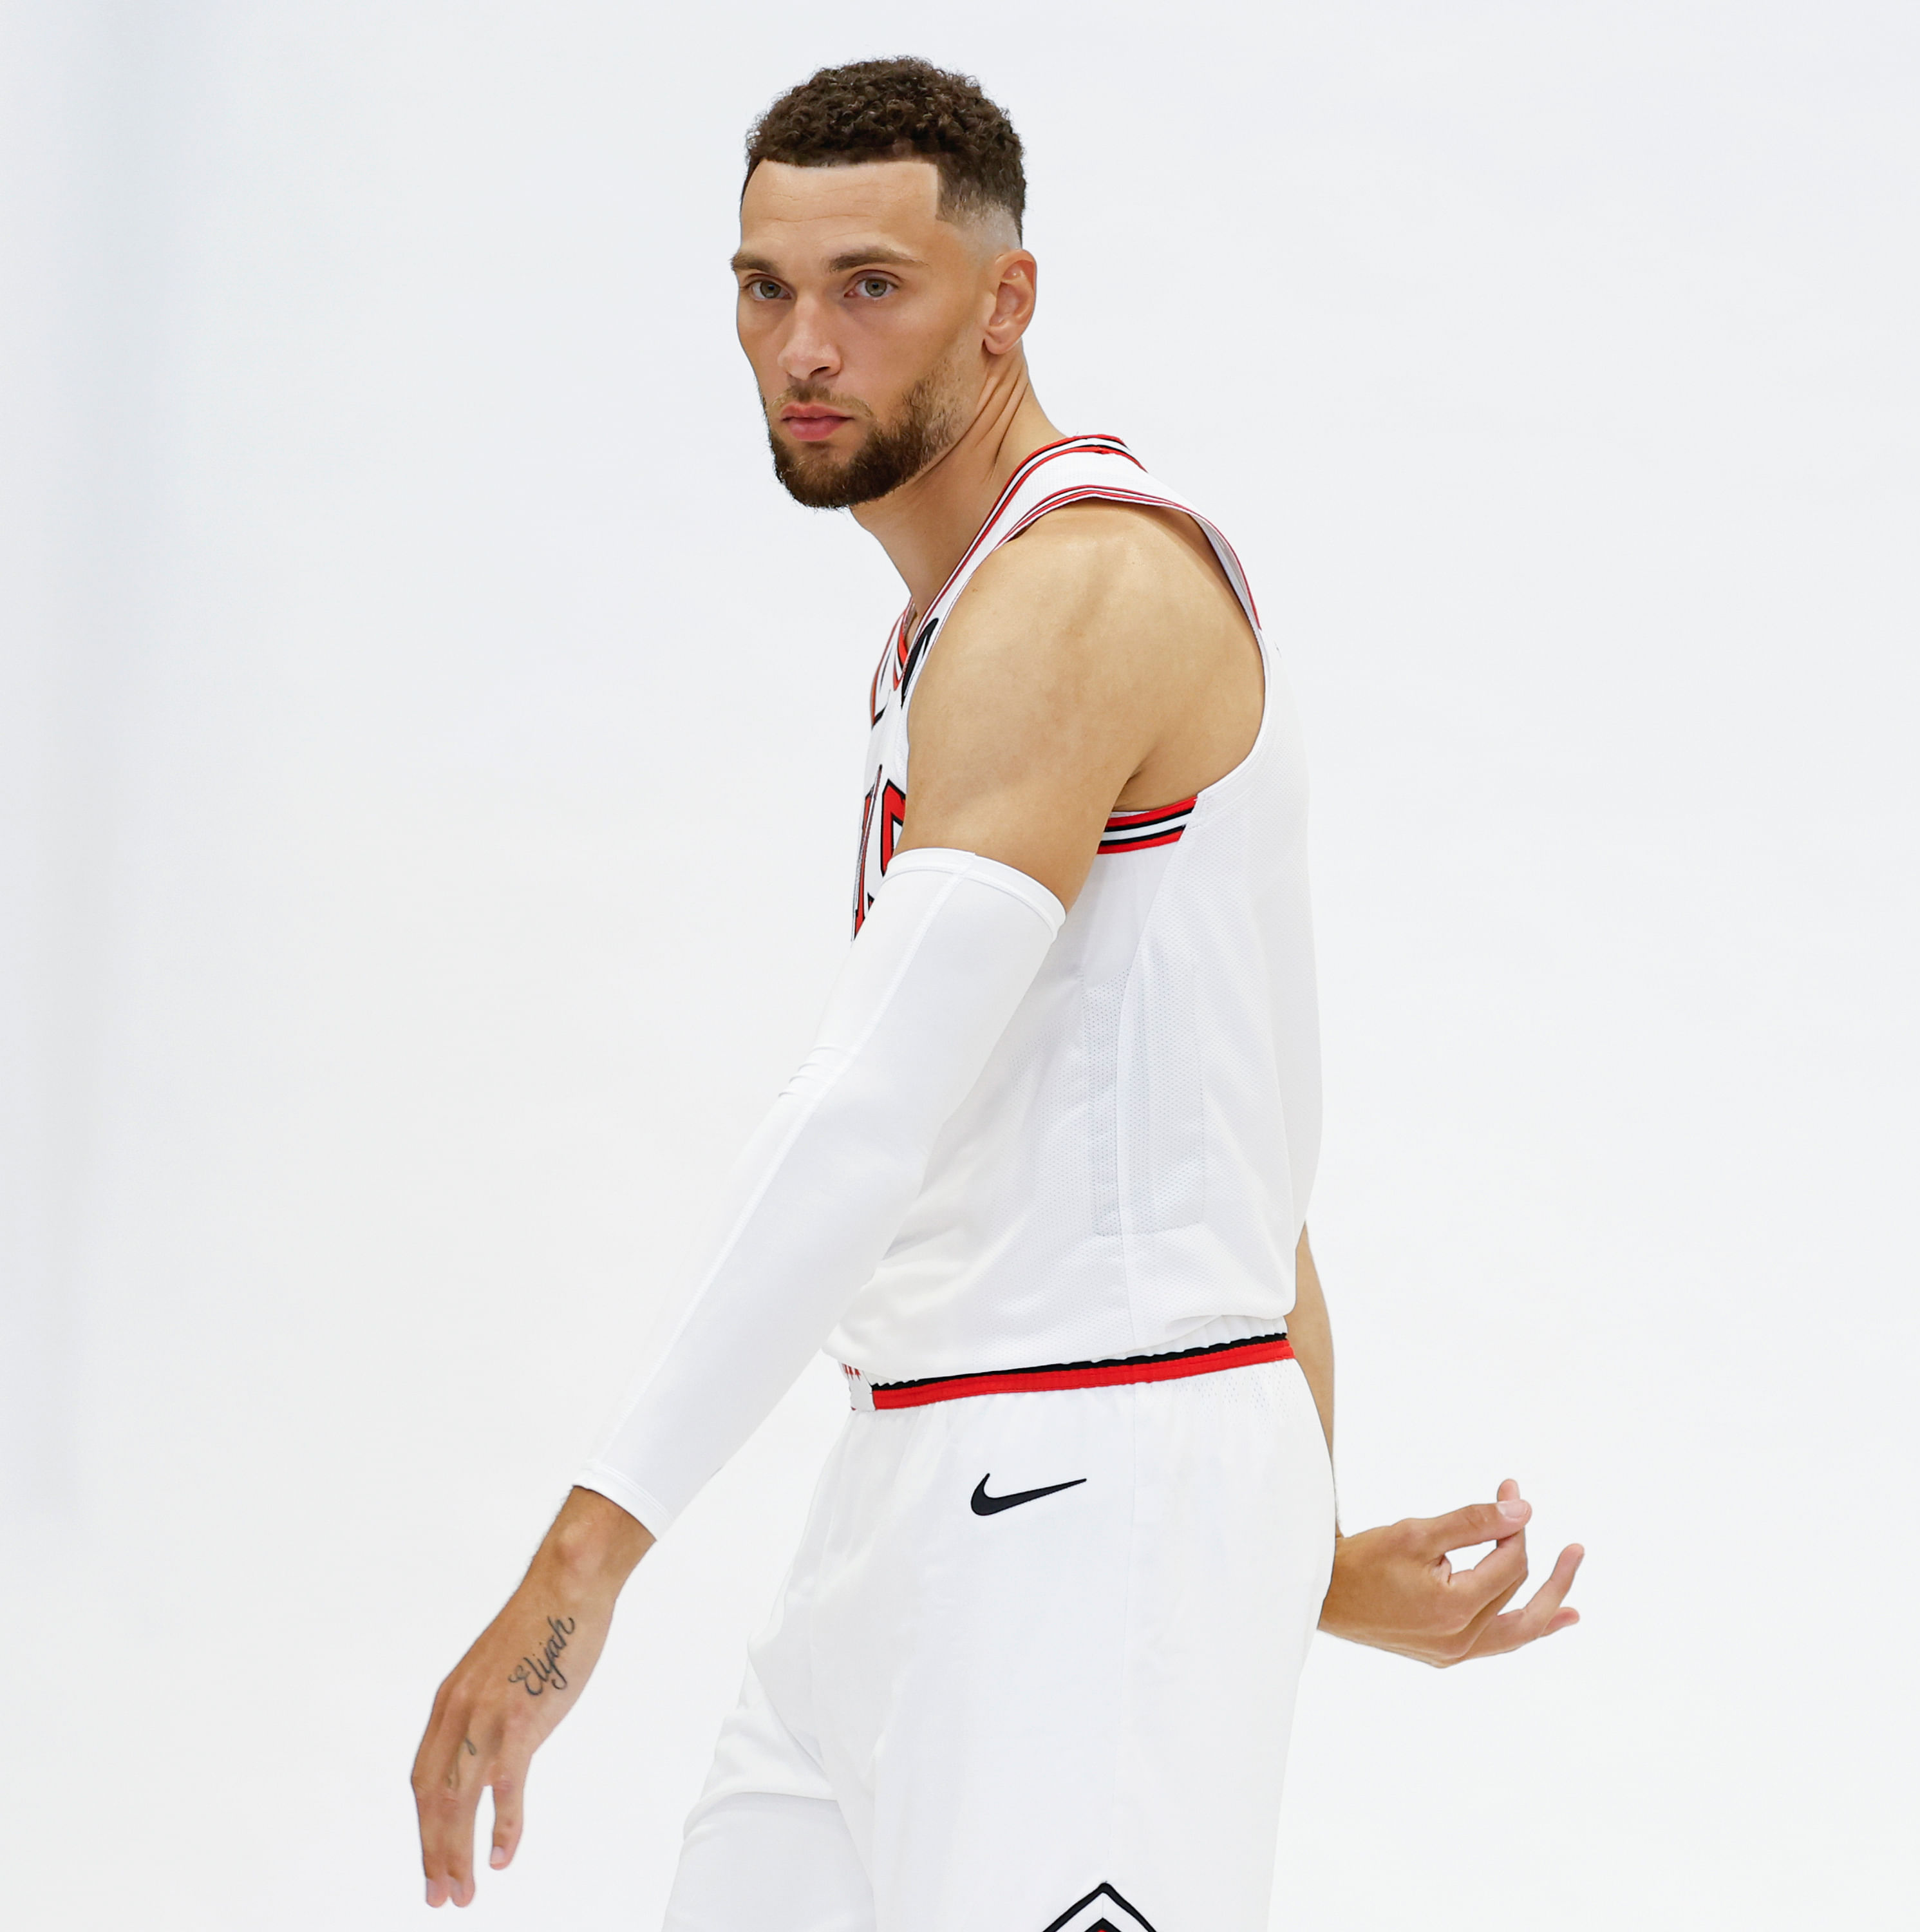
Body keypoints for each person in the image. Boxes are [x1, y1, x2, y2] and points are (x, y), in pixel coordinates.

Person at [409, 58, 1581, 1931]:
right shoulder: (952, 626)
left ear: (1005, 301)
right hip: (926, 1489)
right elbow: (1243, 1164)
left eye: (871, 286)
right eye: (763, 288)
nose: (806, 345)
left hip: (1084, 1503)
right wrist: (1290, 1547)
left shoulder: (1077, 594)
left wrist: (584, 1557)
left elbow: (862, 1118)